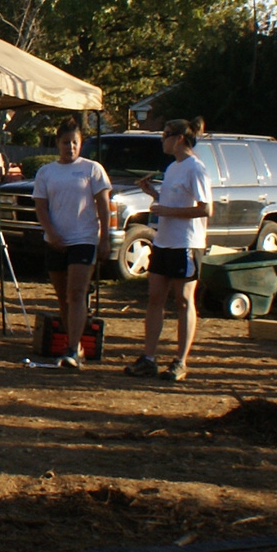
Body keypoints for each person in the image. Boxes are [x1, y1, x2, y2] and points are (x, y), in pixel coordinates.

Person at [125, 118, 213, 381]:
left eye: (166, 135)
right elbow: (171, 201)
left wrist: (168, 211)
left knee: (184, 300)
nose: (162, 140)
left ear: (180, 139)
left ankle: (180, 362)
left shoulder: (195, 168)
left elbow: (205, 209)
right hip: (164, 241)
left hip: (186, 243)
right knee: (155, 298)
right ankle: (148, 358)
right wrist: (154, 194)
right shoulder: (173, 168)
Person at [33, 122, 114, 361]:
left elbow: (103, 206)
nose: (70, 147)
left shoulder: (92, 169)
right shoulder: (46, 172)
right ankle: (73, 343)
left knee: (77, 292)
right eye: (66, 142)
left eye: (75, 143)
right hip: (56, 239)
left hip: (84, 238)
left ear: (81, 144)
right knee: (63, 296)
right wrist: (51, 232)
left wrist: (105, 238)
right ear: (58, 143)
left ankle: (73, 347)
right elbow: (41, 207)